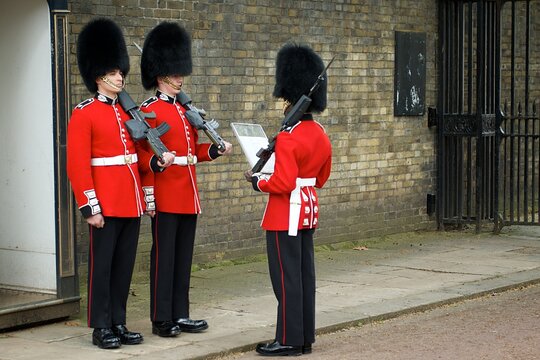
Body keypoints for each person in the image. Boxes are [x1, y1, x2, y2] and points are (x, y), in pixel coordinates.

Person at [137, 21, 233, 338]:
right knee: (164, 259)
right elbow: (144, 159)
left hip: (188, 195)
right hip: (166, 194)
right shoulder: (149, 111)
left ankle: (181, 313)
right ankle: (161, 318)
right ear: (161, 75)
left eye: (181, 73)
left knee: (182, 259)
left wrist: (216, 151)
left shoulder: (184, 109)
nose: (180, 78)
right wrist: (150, 195)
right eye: (175, 73)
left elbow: (193, 151)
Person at [244, 44, 332, 356]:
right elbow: (321, 178)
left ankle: (289, 340)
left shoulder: (290, 136)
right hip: (308, 209)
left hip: (285, 212)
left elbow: (281, 182)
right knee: (304, 276)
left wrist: (258, 182)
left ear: (290, 99)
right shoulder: (319, 133)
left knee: (285, 280)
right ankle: (304, 337)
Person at [67, 18, 145, 349]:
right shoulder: (84, 113)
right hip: (105, 202)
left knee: (124, 266)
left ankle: (118, 320)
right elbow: (77, 165)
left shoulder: (129, 114)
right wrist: (90, 207)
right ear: (99, 76)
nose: (120, 77)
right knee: (102, 268)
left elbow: (138, 156)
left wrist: (157, 162)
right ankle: (101, 326)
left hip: (129, 200)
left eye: (120, 72)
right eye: (114, 73)